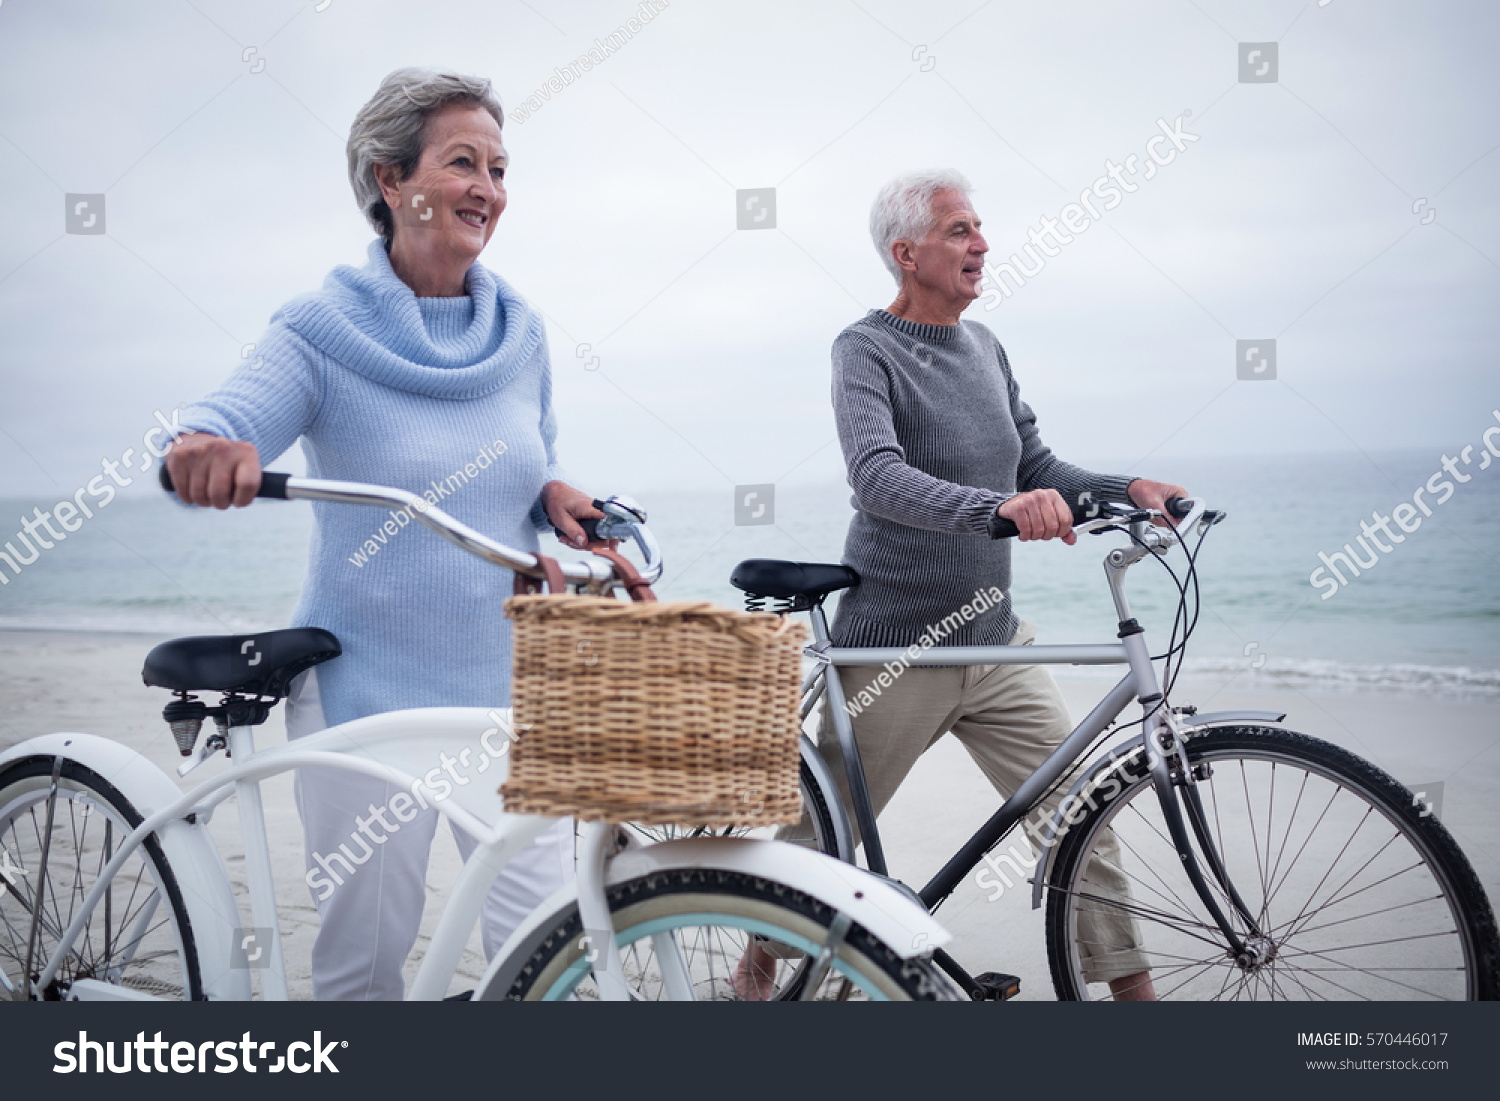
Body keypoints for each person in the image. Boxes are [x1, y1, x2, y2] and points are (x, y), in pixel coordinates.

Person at [165, 68, 601, 1000]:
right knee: (368, 960)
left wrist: (557, 492)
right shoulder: (322, 329)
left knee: (551, 948)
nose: (488, 186)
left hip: (503, 694)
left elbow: (532, 461)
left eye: (498, 165)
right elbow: (219, 416)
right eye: (462, 162)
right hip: (368, 696)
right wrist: (204, 449)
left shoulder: (520, 330)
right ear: (389, 179)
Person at [736, 170, 1184, 1001]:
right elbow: (878, 478)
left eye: (979, 227)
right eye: (958, 230)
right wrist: (997, 510)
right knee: (812, 846)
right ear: (906, 254)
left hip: (996, 642)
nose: (981, 244)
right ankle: (749, 990)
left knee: (1086, 821)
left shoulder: (986, 347)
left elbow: (1037, 468)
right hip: (900, 646)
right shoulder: (864, 349)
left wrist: (1131, 490)